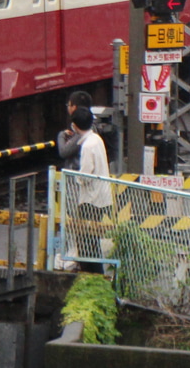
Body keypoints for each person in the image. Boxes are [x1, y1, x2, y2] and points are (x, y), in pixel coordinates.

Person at [70, 106, 112, 273]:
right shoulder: (97, 139)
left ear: (75, 126)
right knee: (92, 239)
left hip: (90, 200)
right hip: (102, 196)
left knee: (85, 241)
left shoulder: (87, 146)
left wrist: (76, 178)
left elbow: (85, 175)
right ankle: (94, 274)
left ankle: (92, 274)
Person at [57, 91, 93, 169]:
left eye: (68, 105)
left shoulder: (82, 129)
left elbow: (64, 152)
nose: (68, 108)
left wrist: (61, 135)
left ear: (74, 107)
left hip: (76, 172)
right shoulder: (90, 123)